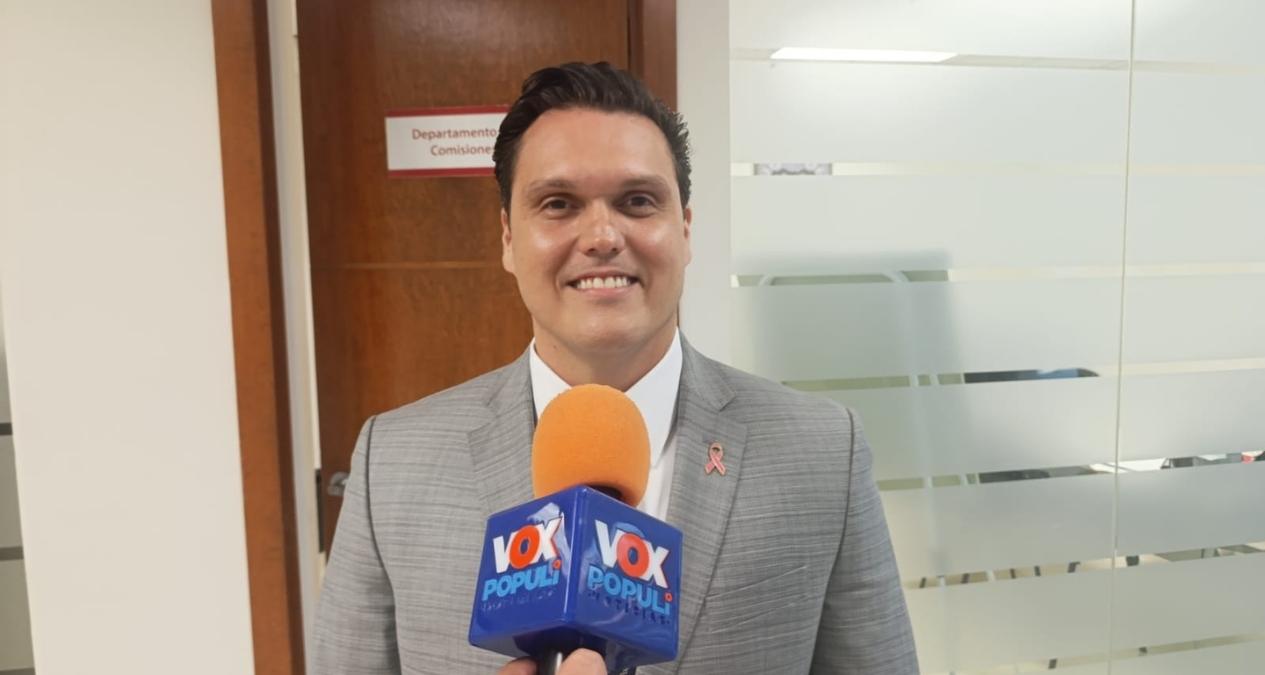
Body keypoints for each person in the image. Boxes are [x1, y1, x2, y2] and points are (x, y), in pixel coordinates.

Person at [312, 62, 918, 674]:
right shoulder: (393, 460)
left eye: (637, 201)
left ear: (685, 228)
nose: (602, 236)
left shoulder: (824, 451)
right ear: (508, 237)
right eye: (558, 204)